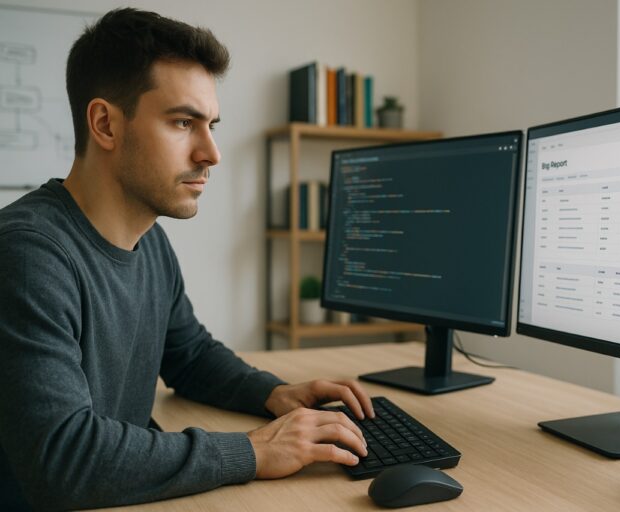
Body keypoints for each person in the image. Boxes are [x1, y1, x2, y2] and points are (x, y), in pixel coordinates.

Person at [0, 8, 373, 511]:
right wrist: (254, 450)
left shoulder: (148, 239)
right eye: (183, 122)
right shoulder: (28, 255)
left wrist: (275, 394)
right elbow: (65, 460)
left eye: (211, 125)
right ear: (105, 124)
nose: (212, 153)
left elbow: (190, 354)